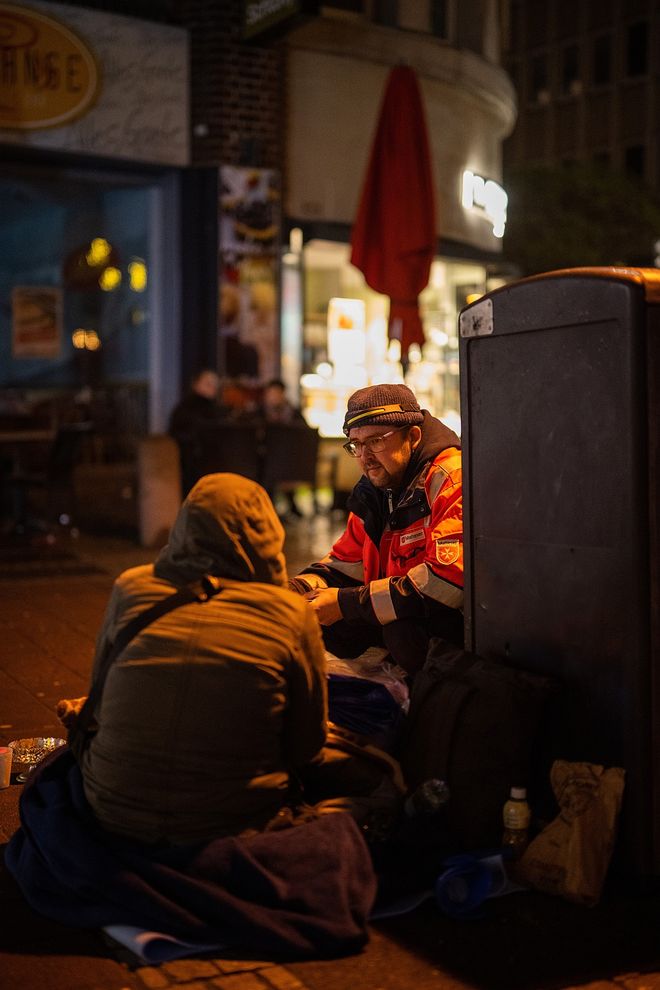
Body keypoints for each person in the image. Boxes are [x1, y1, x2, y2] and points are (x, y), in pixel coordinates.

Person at [6, 474, 388, 957]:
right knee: (359, 788)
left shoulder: (133, 588)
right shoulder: (288, 615)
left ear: (185, 528)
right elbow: (304, 747)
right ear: (267, 537)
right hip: (232, 816)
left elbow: (100, 700)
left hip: (113, 810)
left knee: (55, 772)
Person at [289, 383, 463, 678]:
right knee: (304, 620)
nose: (365, 456)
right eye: (356, 445)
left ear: (413, 436)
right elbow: (345, 564)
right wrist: (296, 590)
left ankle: (428, 709)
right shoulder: (376, 488)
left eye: (376, 441)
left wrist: (346, 604)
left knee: (401, 632)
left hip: (451, 628)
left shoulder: (450, 478)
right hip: (395, 613)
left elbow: (445, 585)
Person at [167, 368, 227, 494]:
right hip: (193, 463)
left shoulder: (217, 409)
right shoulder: (186, 409)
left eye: (215, 385)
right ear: (196, 384)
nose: (212, 388)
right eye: (208, 383)